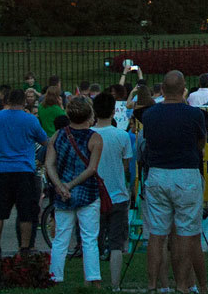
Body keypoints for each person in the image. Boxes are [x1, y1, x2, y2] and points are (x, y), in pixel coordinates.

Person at [139, 70, 208, 293]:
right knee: (186, 233)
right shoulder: (194, 115)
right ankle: (182, 285)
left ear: (162, 89)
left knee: (157, 234)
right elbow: (201, 144)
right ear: (183, 89)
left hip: (158, 173)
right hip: (185, 174)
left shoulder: (149, 115)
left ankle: (153, 285)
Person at [45, 95, 103, 285]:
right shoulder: (95, 138)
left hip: (63, 195)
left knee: (61, 237)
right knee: (89, 238)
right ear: (89, 116)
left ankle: (55, 276)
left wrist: (61, 186)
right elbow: (92, 168)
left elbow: (49, 165)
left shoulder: (58, 135)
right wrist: (70, 185)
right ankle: (93, 278)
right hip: (88, 192)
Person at [0, 88, 49, 257]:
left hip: (2, 169)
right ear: (23, 102)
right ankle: (24, 247)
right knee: (26, 213)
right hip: (24, 170)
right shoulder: (30, 120)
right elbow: (44, 141)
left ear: (7, 101)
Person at [87, 92, 132, 289]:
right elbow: (125, 165)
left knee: (92, 241)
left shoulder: (88, 135)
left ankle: (92, 282)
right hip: (117, 194)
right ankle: (115, 284)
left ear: (94, 112)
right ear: (114, 112)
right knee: (116, 243)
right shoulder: (122, 136)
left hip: (94, 194)